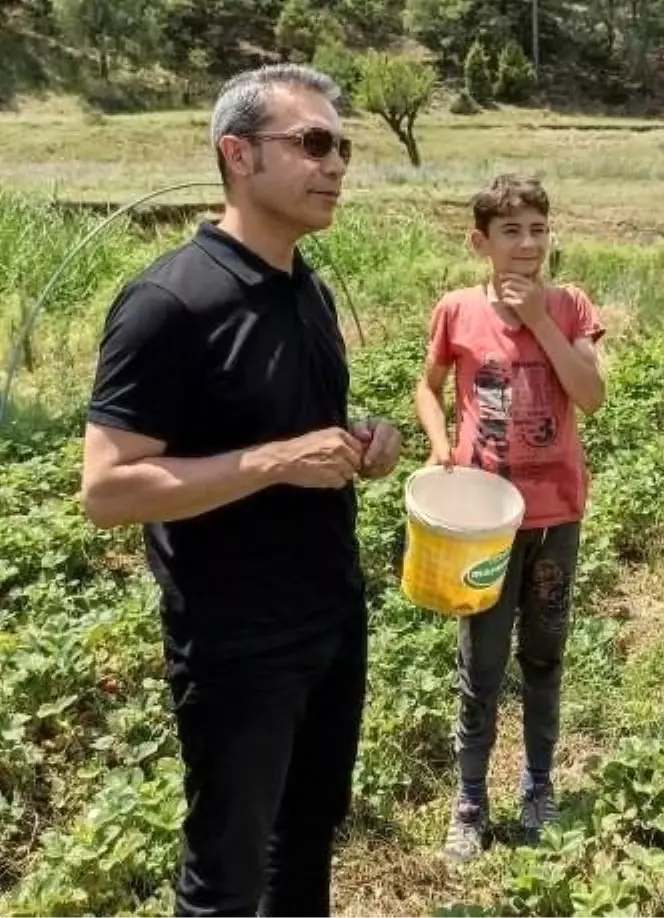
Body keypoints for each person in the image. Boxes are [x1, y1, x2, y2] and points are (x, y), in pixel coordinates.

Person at [81, 64, 402, 918]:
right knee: (226, 874)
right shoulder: (168, 304)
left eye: (343, 145)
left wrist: (369, 442)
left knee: (307, 839)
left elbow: (303, 425)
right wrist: (268, 463)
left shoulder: (308, 288)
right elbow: (107, 490)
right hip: (236, 642)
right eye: (313, 143)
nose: (336, 163)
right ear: (239, 156)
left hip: (331, 615)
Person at [414, 174, 606, 864]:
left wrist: (542, 322)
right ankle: (470, 800)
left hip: (556, 517)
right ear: (481, 242)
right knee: (482, 663)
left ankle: (538, 785)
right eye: (511, 232)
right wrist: (440, 445)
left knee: (545, 655)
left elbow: (592, 396)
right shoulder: (457, 310)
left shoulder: (571, 306)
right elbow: (427, 388)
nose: (528, 246)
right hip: (484, 522)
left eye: (538, 231)